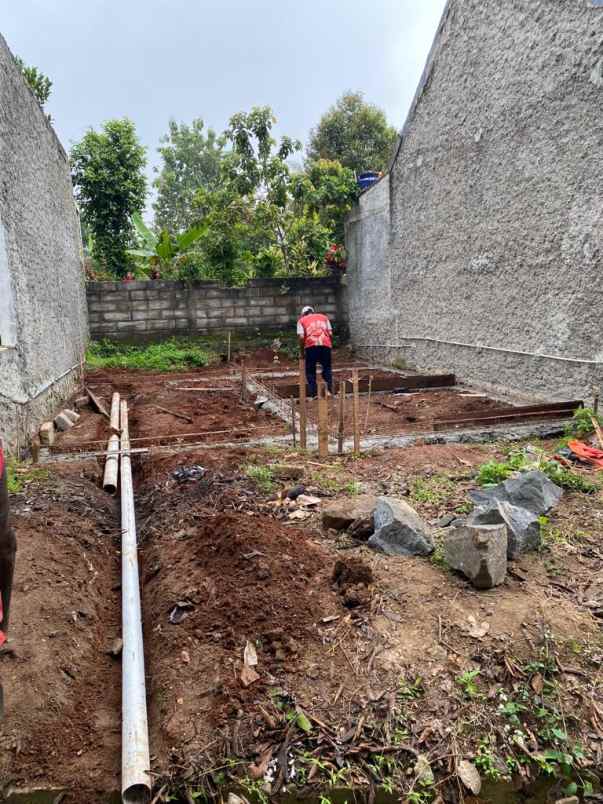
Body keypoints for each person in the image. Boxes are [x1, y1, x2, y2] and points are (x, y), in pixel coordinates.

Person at [297, 305, 333, 398]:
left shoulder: (301, 320)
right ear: (313, 311)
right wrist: (329, 345)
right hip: (325, 344)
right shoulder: (324, 317)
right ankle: (328, 391)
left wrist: (301, 352)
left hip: (311, 345)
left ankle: (314, 394)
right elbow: (330, 333)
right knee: (327, 368)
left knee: (310, 370)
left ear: (303, 314)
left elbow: (301, 337)